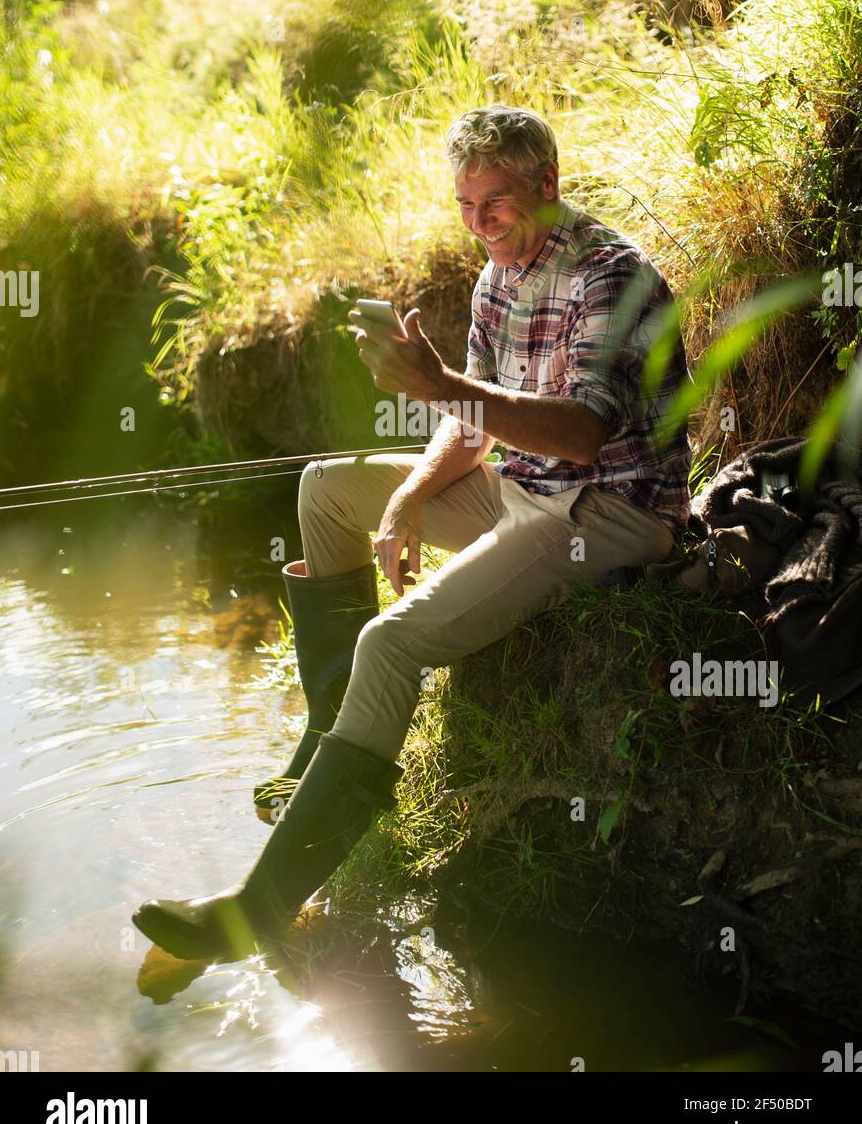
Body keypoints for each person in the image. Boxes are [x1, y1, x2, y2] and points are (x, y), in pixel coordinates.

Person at [133, 104, 692, 962]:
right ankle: (328, 747)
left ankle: (256, 912)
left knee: (391, 644)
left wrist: (438, 384)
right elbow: (474, 429)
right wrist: (403, 502)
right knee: (327, 489)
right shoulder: (497, 274)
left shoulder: (608, 276)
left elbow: (580, 433)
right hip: (524, 491)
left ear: (548, 184)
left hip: (607, 514)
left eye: (495, 202)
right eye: (465, 205)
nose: (478, 224)